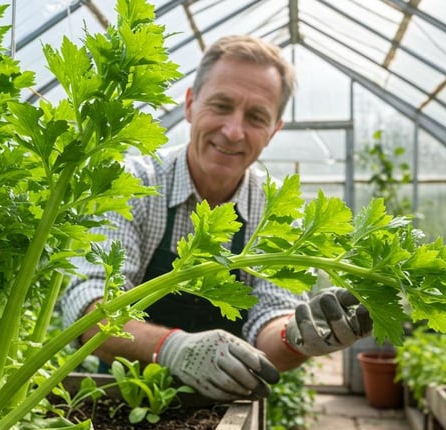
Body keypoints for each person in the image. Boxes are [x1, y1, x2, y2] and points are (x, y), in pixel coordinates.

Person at [60, 35, 372, 402]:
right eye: (221, 106)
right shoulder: (134, 183)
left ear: (273, 131)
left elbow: (269, 324)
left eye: (256, 117)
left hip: (222, 405)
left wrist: (297, 337)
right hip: (114, 397)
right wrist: (171, 347)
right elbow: (91, 304)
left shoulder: (276, 209)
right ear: (190, 104)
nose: (233, 131)